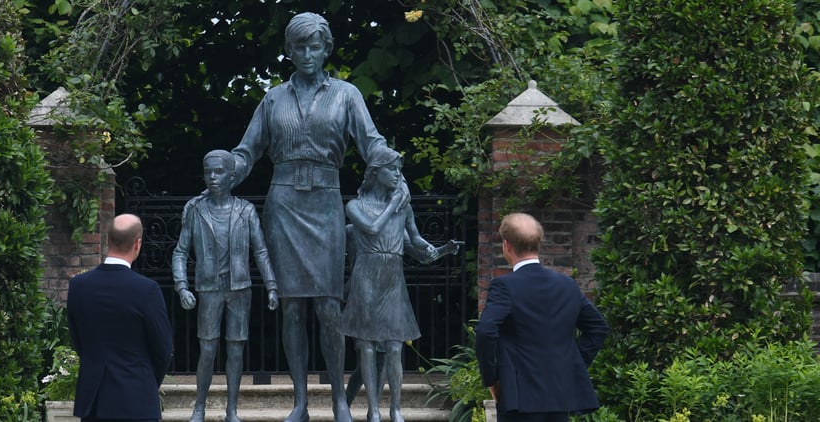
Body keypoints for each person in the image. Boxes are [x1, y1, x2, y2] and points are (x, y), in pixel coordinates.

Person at [229, 11, 389, 422]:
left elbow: (370, 144)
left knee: (328, 306)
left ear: (326, 48)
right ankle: (300, 400)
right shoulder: (273, 98)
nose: (306, 53)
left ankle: (338, 398)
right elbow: (248, 151)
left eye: (314, 45)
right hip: (283, 204)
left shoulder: (347, 94)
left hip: (325, 203)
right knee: (292, 307)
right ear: (289, 50)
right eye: (298, 46)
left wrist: (390, 164)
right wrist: (226, 167)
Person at [339, 147, 461, 422]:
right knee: (367, 346)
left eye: (399, 170)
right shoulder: (355, 206)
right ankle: (373, 410)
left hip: (393, 276)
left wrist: (440, 250)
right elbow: (371, 228)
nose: (397, 174)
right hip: (366, 275)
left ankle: (395, 408)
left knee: (395, 345)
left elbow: (415, 242)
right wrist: (395, 205)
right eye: (391, 169)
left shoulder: (402, 207)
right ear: (375, 172)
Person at [172, 150, 280, 422]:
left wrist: (271, 285)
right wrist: (182, 286)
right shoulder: (196, 210)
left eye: (218, 172)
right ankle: (199, 407)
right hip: (209, 289)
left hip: (240, 288)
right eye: (208, 172)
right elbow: (180, 252)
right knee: (207, 350)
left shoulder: (245, 211)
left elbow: (261, 251)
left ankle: (232, 409)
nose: (212, 177)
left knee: (235, 350)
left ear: (232, 176)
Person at [474, 213, 609, 422]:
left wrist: (492, 379)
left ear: (506, 245)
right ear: (538, 243)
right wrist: (572, 364)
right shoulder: (567, 285)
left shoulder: (504, 286)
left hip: (519, 398)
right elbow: (598, 328)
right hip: (559, 394)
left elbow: (485, 331)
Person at [67, 214, 174, 422]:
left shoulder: (79, 286)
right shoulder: (147, 290)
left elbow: (78, 341)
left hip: (94, 401)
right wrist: (146, 381)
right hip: (137, 401)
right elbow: (163, 350)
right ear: (138, 244)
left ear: (107, 240)